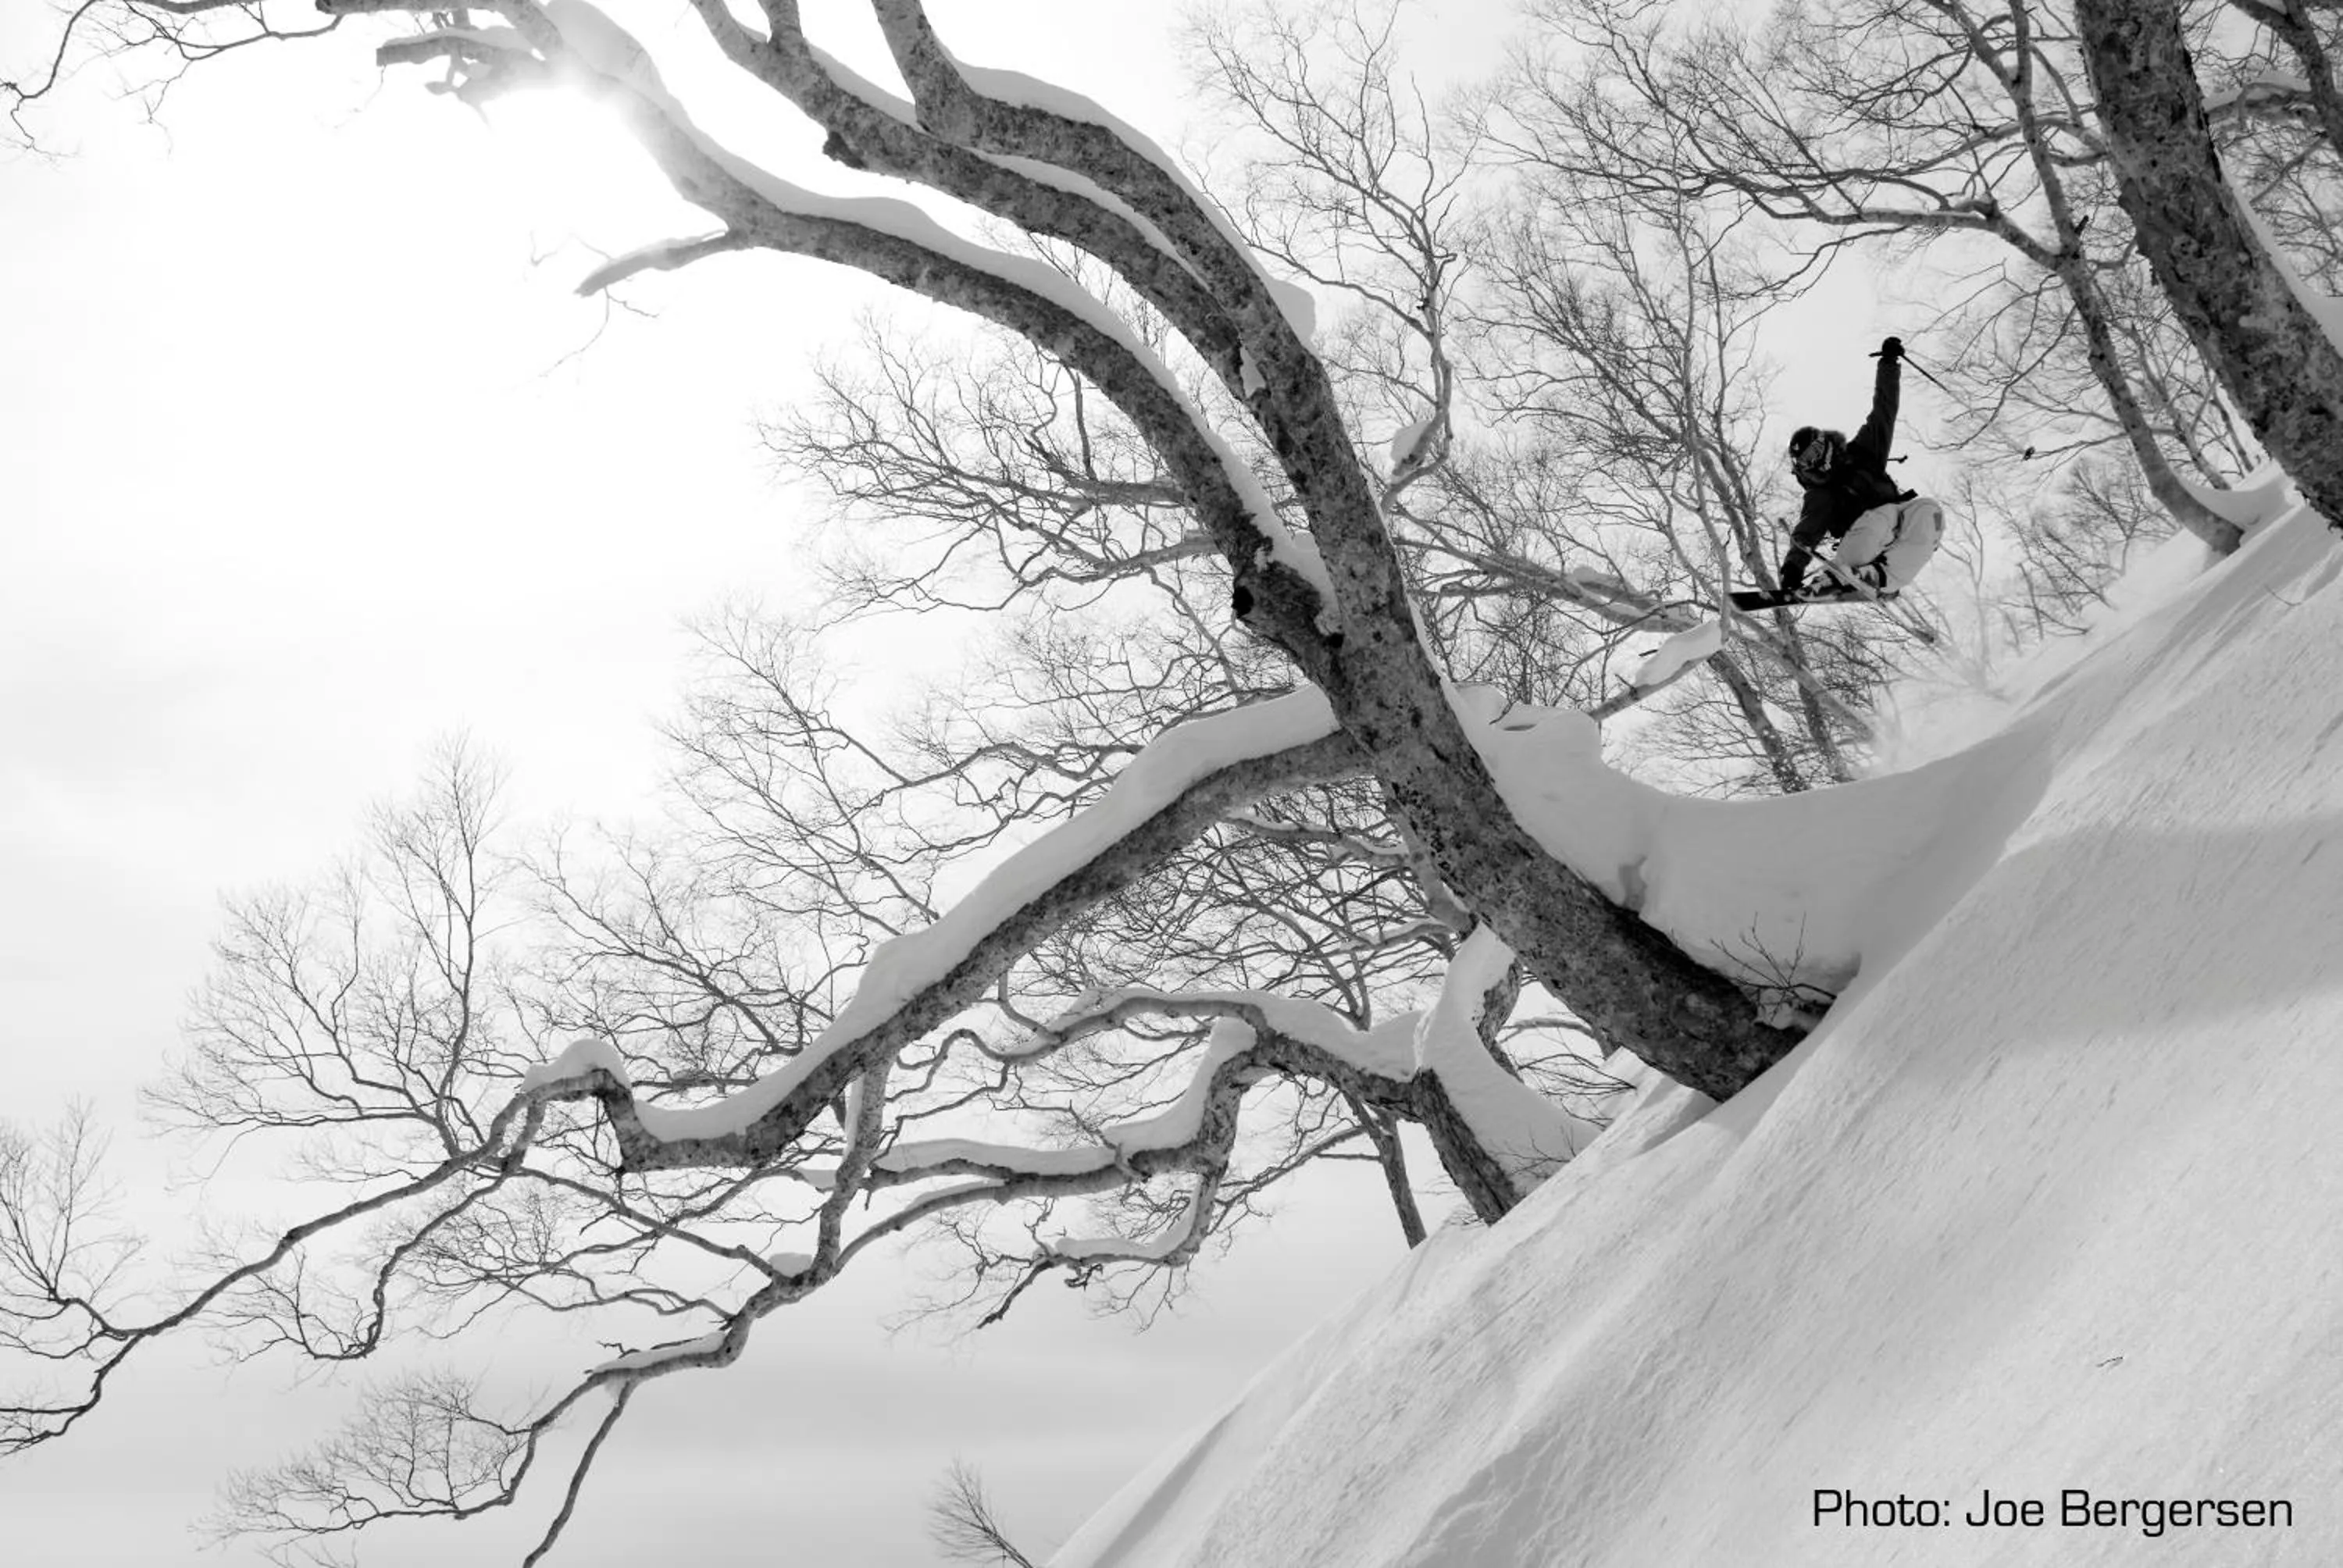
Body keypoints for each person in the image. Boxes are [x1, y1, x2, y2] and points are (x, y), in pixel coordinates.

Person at [1778, 336, 1944, 598]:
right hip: (1860, 545)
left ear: (1826, 445)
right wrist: (1792, 568)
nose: (1815, 463)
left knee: (1928, 510)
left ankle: (1881, 578)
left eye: (1816, 452)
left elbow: (1883, 411)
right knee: (1879, 517)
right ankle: (1846, 576)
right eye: (1807, 461)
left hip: (1896, 539)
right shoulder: (1820, 493)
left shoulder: (1862, 453)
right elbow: (1807, 531)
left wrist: (1888, 363)